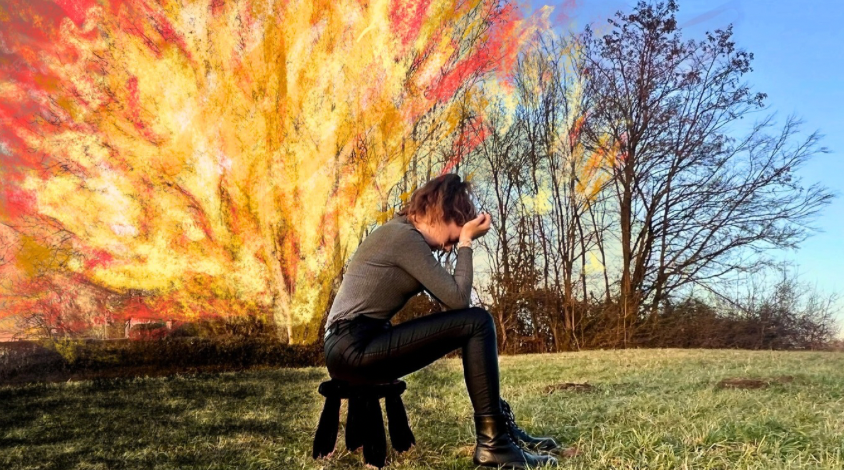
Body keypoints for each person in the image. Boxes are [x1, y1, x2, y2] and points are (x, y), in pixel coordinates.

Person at [322, 174, 559, 469]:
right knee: (477, 322)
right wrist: (467, 242)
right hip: (352, 345)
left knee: (474, 323)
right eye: (452, 236)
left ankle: (502, 433)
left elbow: (454, 300)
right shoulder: (404, 237)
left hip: (352, 344)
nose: (448, 248)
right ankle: (494, 443)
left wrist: (461, 238)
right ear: (442, 213)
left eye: (454, 242)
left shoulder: (402, 235)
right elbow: (458, 299)